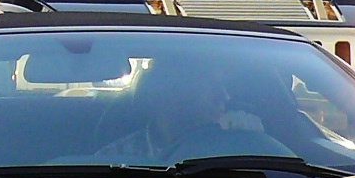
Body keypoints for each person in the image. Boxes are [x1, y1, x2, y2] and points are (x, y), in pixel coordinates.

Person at [93, 63, 264, 162]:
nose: (225, 97)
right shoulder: (114, 159)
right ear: (171, 96)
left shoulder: (237, 144)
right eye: (212, 87)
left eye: (224, 87)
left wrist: (251, 140)